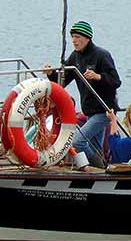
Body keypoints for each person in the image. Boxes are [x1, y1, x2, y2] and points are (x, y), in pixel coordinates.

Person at [45, 20, 121, 167]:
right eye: (72, 36)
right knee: (94, 147)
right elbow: (62, 82)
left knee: (78, 141)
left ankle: (98, 168)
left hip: (104, 109)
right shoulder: (75, 56)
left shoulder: (102, 55)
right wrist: (50, 74)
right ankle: (102, 168)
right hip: (89, 110)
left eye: (78, 37)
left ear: (87, 38)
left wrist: (98, 76)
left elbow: (116, 81)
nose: (74, 40)